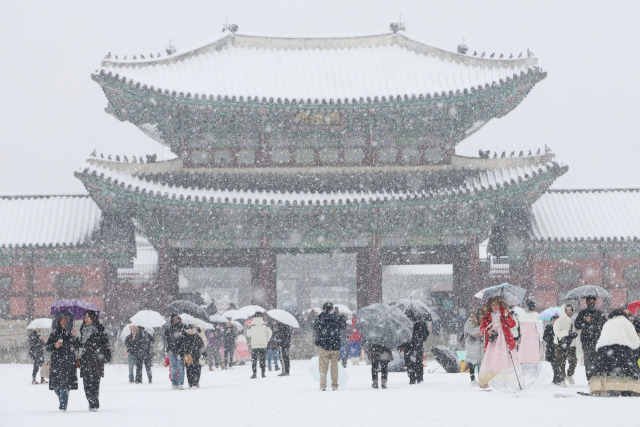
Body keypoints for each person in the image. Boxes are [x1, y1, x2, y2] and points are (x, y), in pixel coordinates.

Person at [589, 308, 640, 396]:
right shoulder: (626, 323)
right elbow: (635, 342)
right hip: (622, 348)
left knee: (604, 370)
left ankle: (604, 388)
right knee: (626, 371)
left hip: (603, 350)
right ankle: (626, 389)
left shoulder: (607, 323)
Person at [478, 297, 520, 389]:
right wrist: (487, 331)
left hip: (504, 340)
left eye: (497, 304)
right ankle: (491, 379)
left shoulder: (504, 313)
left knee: (504, 358)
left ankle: (504, 379)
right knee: (492, 358)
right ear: (490, 306)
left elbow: (513, 324)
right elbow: (481, 329)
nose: (495, 307)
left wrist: (506, 316)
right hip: (492, 341)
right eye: (493, 305)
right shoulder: (486, 317)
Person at [46, 312, 79, 412]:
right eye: (62, 320)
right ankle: (63, 398)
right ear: (58, 321)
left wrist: (74, 337)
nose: (64, 322)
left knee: (65, 385)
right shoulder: (54, 333)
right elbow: (47, 347)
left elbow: (77, 345)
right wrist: (54, 345)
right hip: (57, 362)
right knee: (56, 387)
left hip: (68, 362)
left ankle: (62, 406)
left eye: (66, 320)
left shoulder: (71, 332)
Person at [78, 310, 110, 412]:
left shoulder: (99, 330)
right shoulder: (82, 330)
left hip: (96, 360)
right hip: (85, 361)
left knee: (94, 384)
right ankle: (91, 402)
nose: (86, 319)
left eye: (88, 317)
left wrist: (98, 350)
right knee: (86, 385)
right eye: (85, 317)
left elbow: (105, 345)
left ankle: (94, 405)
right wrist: (75, 338)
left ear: (93, 318)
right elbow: (80, 346)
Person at [574, 295, 606, 381]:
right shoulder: (582, 313)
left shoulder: (600, 313)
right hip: (586, 341)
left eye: (593, 300)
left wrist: (597, 324)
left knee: (598, 361)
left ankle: (597, 378)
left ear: (595, 301)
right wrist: (585, 321)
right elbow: (577, 325)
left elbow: (605, 325)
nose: (591, 302)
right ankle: (590, 379)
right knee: (588, 361)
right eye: (589, 301)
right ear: (586, 302)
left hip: (598, 341)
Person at [314, 302, 342, 390]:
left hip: (323, 345)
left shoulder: (320, 317)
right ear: (332, 308)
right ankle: (334, 385)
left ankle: (323, 385)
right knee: (334, 366)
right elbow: (343, 326)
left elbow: (315, 329)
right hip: (335, 345)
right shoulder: (336, 317)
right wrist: (339, 316)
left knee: (323, 366)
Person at [553, 304, 578, 386]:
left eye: (571, 310)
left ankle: (569, 375)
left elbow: (575, 331)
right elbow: (556, 332)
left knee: (573, 361)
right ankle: (562, 379)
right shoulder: (559, 321)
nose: (569, 312)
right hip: (560, 344)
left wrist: (575, 334)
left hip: (571, 344)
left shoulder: (572, 321)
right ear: (564, 311)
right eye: (567, 310)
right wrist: (567, 333)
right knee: (561, 362)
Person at [245, 312, 272, 379]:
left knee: (254, 360)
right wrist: (266, 340)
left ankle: (254, 373)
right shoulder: (265, 325)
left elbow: (248, 335)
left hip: (254, 345)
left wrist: (248, 329)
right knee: (262, 360)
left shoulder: (251, 325)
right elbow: (270, 333)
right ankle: (263, 373)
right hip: (263, 345)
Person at [403, 318, 429, 384]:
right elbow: (426, 334)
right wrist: (421, 338)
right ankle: (418, 378)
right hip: (415, 346)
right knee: (417, 362)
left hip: (409, 346)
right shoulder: (421, 323)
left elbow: (401, 334)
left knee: (411, 362)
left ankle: (413, 378)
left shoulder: (405, 321)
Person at [164, 314, 187, 389]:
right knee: (173, 368)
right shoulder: (169, 329)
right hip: (172, 351)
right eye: (174, 319)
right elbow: (167, 339)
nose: (176, 320)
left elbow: (185, 339)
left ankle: (180, 383)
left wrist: (182, 335)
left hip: (180, 351)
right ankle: (174, 383)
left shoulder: (183, 328)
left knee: (180, 368)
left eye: (177, 319)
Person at [517, 299, 543, 364]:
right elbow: (539, 329)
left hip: (524, 338)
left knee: (524, 351)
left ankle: (523, 361)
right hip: (533, 338)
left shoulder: (523, 316)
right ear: (534, 307)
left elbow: (520, 328)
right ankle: (533, 363)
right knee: (533, 351)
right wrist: (541, 336)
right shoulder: (537, 316)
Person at [463, 310, 483, 386]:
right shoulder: (470, 321)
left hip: (479, 344)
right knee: (472, 362)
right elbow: (472, 332)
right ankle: (473, 379)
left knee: (480, 362)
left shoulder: (482, 321)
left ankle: (481, 378)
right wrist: (481, 329)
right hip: (471, 345)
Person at [543, 315, 560, 384]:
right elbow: (544, 337)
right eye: (552, 320)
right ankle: (556, 377)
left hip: (558, 348)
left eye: (555, 321)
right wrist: (550, 339)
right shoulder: (548, 328)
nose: (554, 322)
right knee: (553, 364)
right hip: (551, 348)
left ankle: (557, 377)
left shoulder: (559, 328)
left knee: (558, 363)